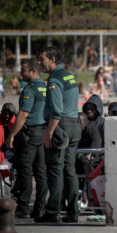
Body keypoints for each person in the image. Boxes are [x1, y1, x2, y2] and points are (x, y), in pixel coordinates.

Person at [36, 46, 81, 223]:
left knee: (55, 170)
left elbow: (56, 110)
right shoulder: (69, 75)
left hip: (60, 127)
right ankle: (73, 213)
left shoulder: (54, 79)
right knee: (69, 170)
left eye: (42, 59)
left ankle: (53, 212)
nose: (40, 63)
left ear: (53, 60)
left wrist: (49, 131)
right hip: (74, 126)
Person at [4, 59, 48, 219]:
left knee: (25, 171)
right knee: (40, 172)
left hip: (29, 134)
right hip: (42, 132)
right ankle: (40, 208)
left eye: (23, 70)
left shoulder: (30, 89)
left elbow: (23, 114)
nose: (21, 73)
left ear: (33, 71)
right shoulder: (45, 87)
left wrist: (11, 136)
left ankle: (23, 207)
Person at [0, 103, 17, 171]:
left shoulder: (17, 125)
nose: (7, 116)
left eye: (9, 114)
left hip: (13, 154)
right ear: (1, 112)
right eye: (5, 113)